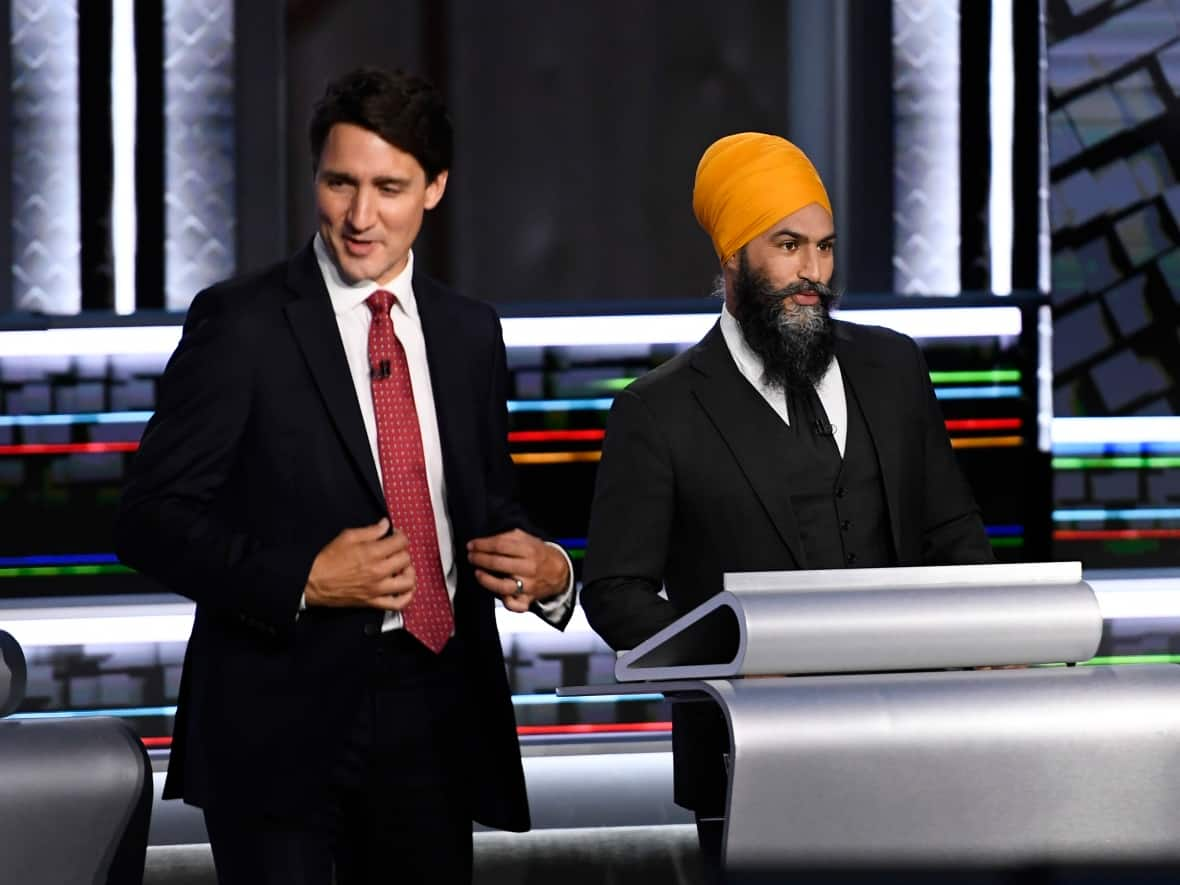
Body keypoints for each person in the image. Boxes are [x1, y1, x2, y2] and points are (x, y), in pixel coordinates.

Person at [115, 67, 574, 885]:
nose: (360, 217)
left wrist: (550, 571)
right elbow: (148, 518)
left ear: (435, 188)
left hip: (432, 711)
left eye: (389, 187)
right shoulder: (242, 323)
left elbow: (488, 508)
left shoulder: (470, 333)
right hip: (275, 718)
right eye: (340, 183)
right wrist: (303, 577)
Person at [580, 132, 995, 868]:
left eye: (825, 247)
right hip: (750, 764)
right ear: (732, 257)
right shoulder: (658, 411)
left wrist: (991, 645)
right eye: (788, 246)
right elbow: (616, 592)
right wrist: (734, 658)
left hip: (917, 747)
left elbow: (954, 532)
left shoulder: (894, 365)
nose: (813, 273)